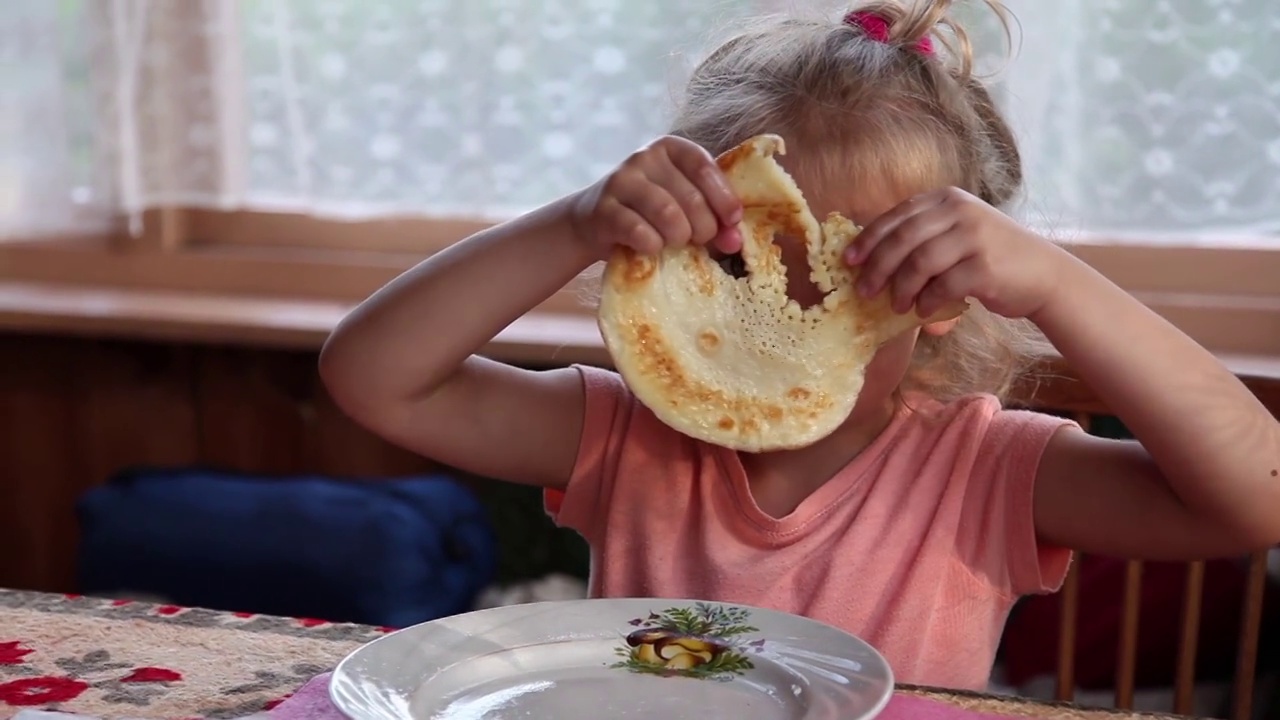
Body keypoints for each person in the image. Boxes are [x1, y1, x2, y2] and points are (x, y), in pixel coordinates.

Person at [318, 0, 1280, 691]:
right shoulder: (624, 435)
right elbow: (373, 381)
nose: (783, 322)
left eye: (855, 272)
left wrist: (1061, 285)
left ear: (945, 295)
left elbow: (1256, 502)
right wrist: (573, 224)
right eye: (741, 267)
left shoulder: (986, 473)